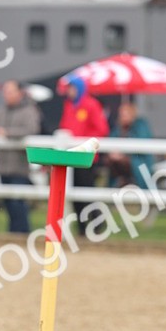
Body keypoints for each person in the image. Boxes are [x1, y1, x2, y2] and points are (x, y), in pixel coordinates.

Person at [0, 81, 41, 234]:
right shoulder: (1, 110)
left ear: (20, 93)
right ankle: (13, 234)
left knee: (18, 203)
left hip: (19, 167)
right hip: (3, 165)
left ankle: (23, 233)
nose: (6, 95)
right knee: (8, 203)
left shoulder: (29, 110)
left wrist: (6, 133)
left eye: (10, 91)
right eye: (5, 91)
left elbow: (31, 130)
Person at [58, 75, 110, 234]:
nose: (69, 91)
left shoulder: (91, 105)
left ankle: (97, 223)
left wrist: (84, 143)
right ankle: (82, 227)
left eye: (72, 88)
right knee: (74, 192)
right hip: (72, 155)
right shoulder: (69, 105)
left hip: (86, 156)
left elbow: (101, 129)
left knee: (87, 191)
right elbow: (65, 126)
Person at [108, 101, 154, 188]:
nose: (123, 117)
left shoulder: (140, 125)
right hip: (119, 163)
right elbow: (111, 140)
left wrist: (122, 154)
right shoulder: (118, 128)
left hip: (139, 160)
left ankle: (140, 189)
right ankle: (114, 189)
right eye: (121, 115)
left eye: (125, 114)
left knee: (129, 165)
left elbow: (142, 144)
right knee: (111, 162)